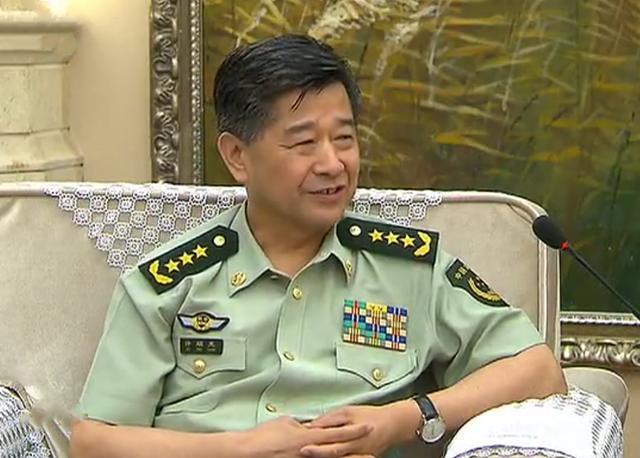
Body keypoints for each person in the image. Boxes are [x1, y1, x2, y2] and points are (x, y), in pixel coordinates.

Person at [70, 34, 567, 458]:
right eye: (304, 143)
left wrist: (407, 417)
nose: (332, 164)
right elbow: (95, 443)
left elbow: (538, 371)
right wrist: (243, 448)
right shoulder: (169, 283)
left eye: (344, 139)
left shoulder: (408, 268)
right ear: (237, 156)